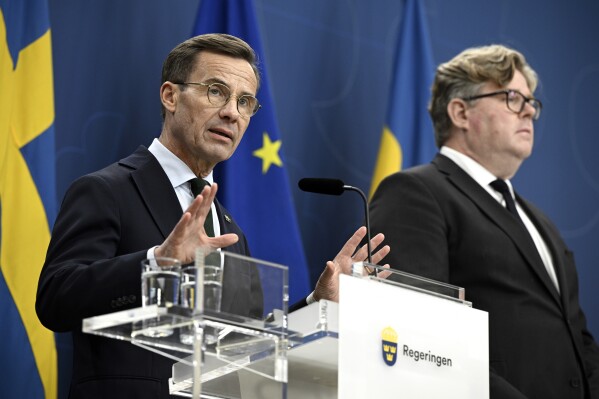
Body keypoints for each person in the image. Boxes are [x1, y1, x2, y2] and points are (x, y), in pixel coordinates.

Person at [36, 33, 389, 398]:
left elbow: (248, 345)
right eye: (216, 91)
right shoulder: (108, 190)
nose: (231, 112)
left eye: (245, 101)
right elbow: (55, 299)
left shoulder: (229, 228)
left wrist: (319, 305)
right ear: (171, 96)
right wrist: (158, 261)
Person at [369, 44, 599, 398]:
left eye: (531, 102)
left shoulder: (541, 223)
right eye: (512, 98)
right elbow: (421, 336)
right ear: (460, 112)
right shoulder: (415, 193)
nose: (528, 112)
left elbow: (577, 336)